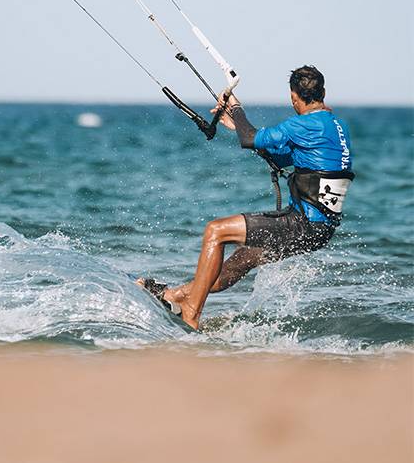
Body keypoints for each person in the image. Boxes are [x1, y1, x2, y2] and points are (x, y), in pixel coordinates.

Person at [139, 65, 354, 330]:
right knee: (242, 260)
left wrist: (236, 109)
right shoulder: (336, 126)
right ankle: (174, 296)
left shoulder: (303, 124)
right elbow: (279, 155)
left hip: (303, 223)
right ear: (323, 92)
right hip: (321, 231)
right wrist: (236, 125)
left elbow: (251, 138)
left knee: (215, 231)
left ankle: (191, 317)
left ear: (293, 96)